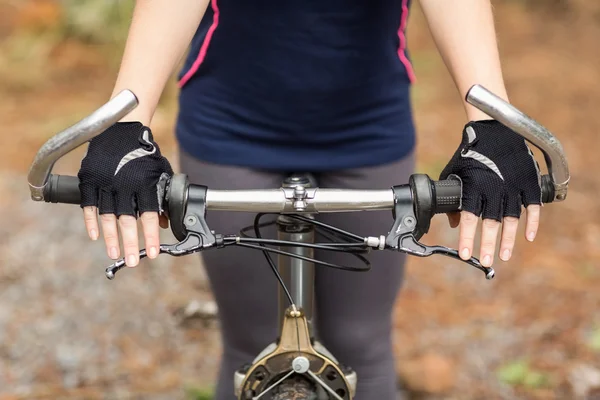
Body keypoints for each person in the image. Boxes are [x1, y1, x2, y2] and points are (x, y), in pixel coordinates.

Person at [77, 0, 543, 398]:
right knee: (250, 348)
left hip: (368, 128)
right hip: (230, 126)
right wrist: (127, 120)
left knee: (361, 343)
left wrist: (492, 121)